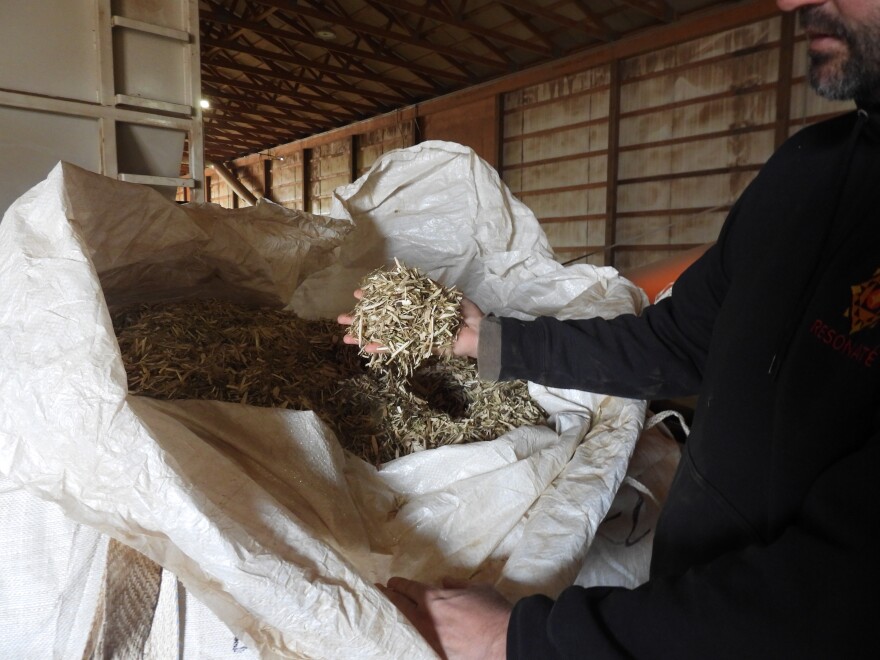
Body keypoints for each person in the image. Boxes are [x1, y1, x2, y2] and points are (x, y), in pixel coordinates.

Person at [339, 0, 880, 656]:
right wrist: (488, 339)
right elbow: (672, 342)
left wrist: (521, 640)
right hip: (682, 610)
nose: (790, 0)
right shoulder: (809, 172)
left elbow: (835, 597)